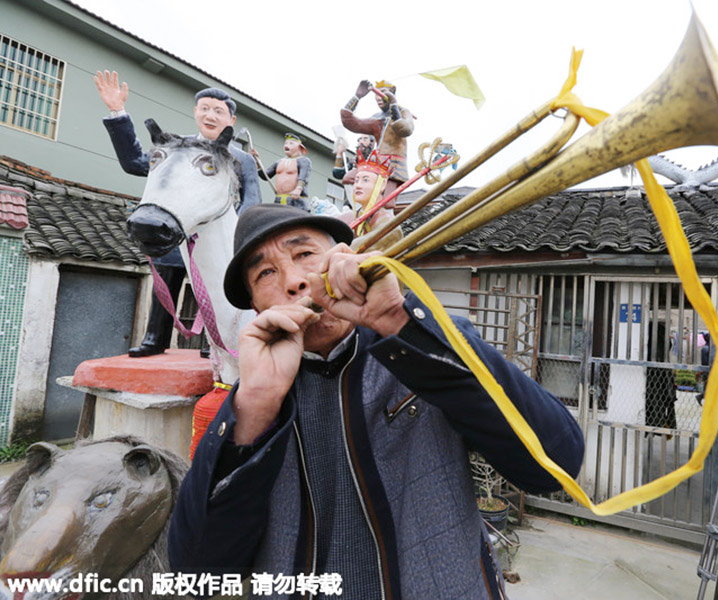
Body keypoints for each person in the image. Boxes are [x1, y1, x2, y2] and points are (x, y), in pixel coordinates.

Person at [168, 204, 585, 599]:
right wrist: (257, 404)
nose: (294, 281)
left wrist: (402, 324)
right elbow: (198, 574)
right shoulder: (252, 400)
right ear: (256, 306)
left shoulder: (421, 343)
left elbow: (556, 464)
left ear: (343, 258)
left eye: (306, 253)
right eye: (265, 274)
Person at [94, 70, 261, 357]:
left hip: (217, 241)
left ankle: (215, 342)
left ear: (231, 120)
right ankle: (154, 339)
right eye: (205, 108)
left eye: (218, 111)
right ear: (196, 112)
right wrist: (117, 112)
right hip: (174, 232)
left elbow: (252, 201)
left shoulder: (241, 158)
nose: (211, 115)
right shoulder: (175, 148)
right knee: (165, 286)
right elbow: (135, 161)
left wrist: (240, 241)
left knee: (217, 291)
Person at [340, 80, 414, 198]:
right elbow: (350, 122)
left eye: (382, 92)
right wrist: (357, 97)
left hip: (394, 165)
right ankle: (357, 207)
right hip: (376, 162)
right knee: (348, 179)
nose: (378, 96)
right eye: (376, 93)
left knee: (386, 201)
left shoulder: (403, 112)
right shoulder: (376, 117)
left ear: (392, 93)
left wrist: (394, 105)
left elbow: (405, 129)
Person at [252, 132, 313, 207]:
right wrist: (257, 161)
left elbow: (303, 176)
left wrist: (299, 189)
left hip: (296, 201)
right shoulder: (279, 162)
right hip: (279, 199)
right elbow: (266, 176)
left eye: (291, 143)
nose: (287, 145)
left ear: (300, 148)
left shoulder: (304, 161)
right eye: (286, 143)